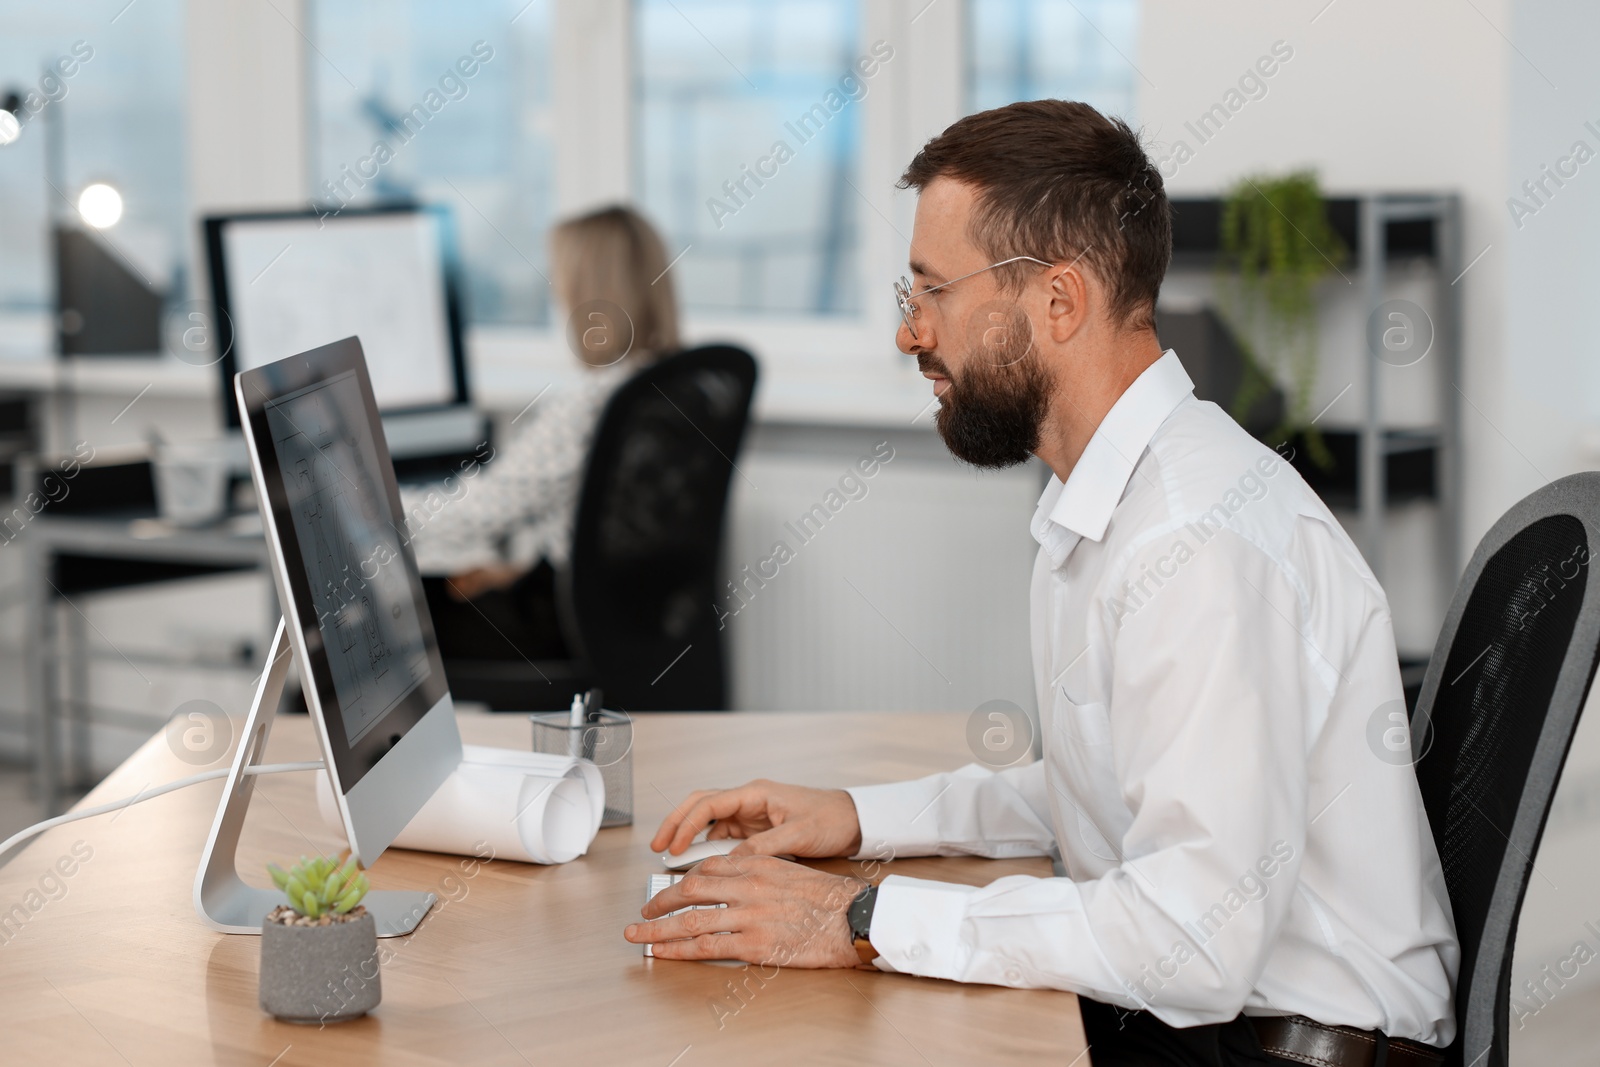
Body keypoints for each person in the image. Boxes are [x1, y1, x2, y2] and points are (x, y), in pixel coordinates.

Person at [623, 101, 1458, 1067]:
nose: (910, 333)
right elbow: (1099, 789)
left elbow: (1195, 937)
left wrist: (861, 915)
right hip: (1224, 1023)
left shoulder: (1193, 543)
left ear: (1059, 303)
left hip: (1284, 1048)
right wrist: (858, 819)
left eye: (932, 291)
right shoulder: (1116, 500)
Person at [405, 205, 680, 661]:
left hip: (564, 628)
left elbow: (485, 511)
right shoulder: (675, 385)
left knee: (373, 624)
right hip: (625, 619)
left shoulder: (592, 403)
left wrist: (372, 512)